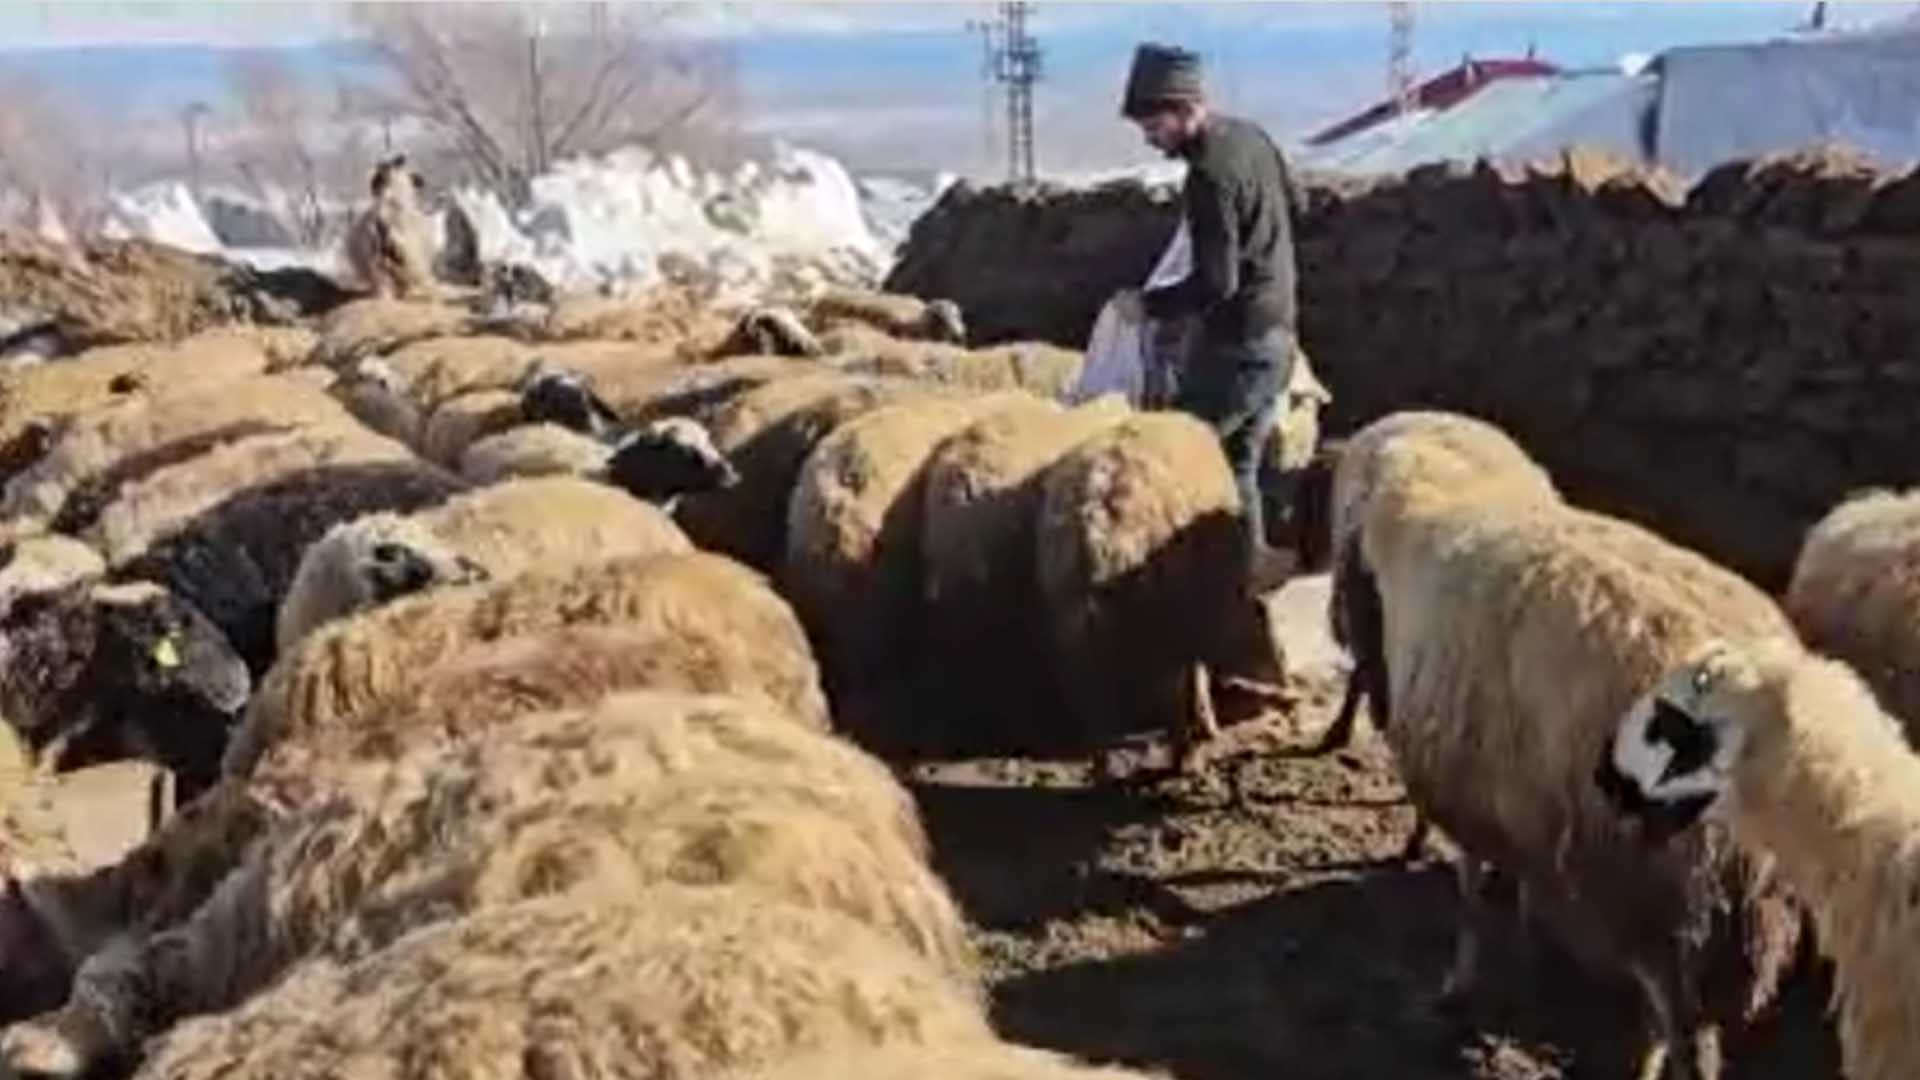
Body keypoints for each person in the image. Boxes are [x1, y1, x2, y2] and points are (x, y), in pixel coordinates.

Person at [1117, 42, 1304, 588]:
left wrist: (1148, 307)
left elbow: (1217, 284)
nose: (1150, 138)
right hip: (1279, 334)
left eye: (1152, 124)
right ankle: (1244, 574)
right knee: (1238, 462)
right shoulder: (1253, 139)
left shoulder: (1209, 176)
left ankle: (1186, 583)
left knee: (1179, 455)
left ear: (1179, 110)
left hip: (1239, 346)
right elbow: (1294, 207)